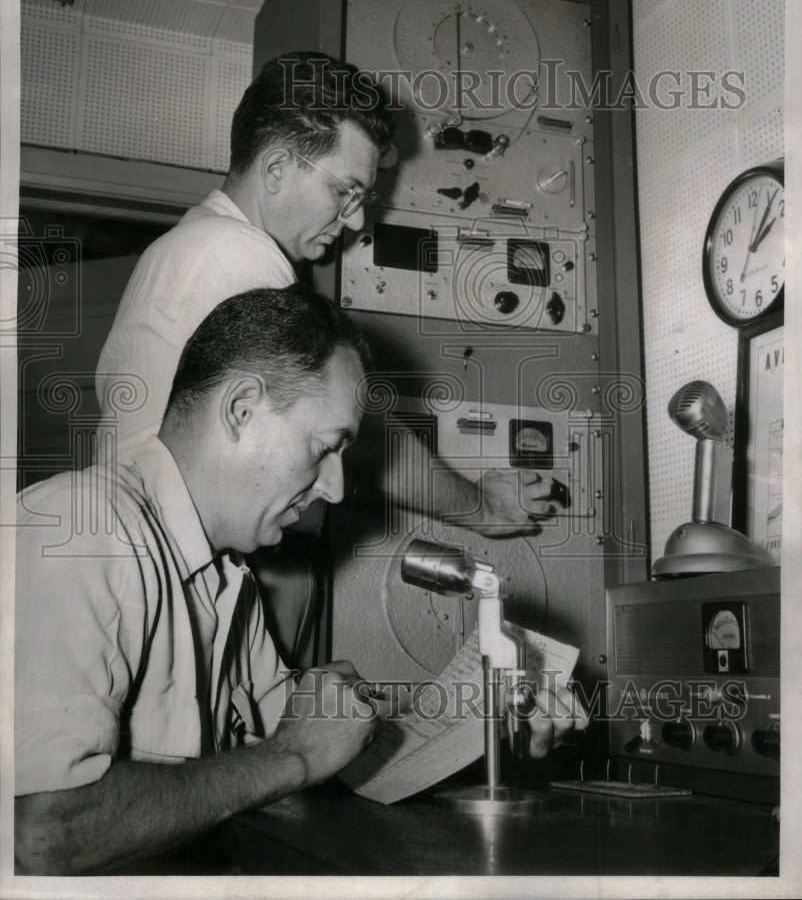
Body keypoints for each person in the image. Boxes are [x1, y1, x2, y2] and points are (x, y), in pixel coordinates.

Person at [15, 285, 587, 875]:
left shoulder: (226, 577)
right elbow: (44, 832)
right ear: (241, 409)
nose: (334, 489)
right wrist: (290, 757)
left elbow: (335, 758)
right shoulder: (81, 534)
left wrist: (490, 731)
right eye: (324, 448)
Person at [95, 52, 561, 538]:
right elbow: (358, 434)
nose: (356, 221)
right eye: (346, 192)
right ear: (276, 169)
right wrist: (480, 508)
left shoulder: (183, 248)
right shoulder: (239, 256)